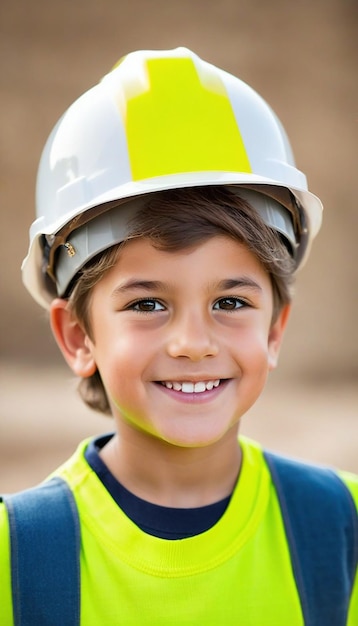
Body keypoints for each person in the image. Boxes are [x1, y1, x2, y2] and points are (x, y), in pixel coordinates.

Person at [1, 47, 357, 626]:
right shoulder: (17, 557)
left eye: (230, 302)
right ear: (76, 336)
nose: (193, 342)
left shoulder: (341, 530)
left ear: (274, 329)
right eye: (147, 304)